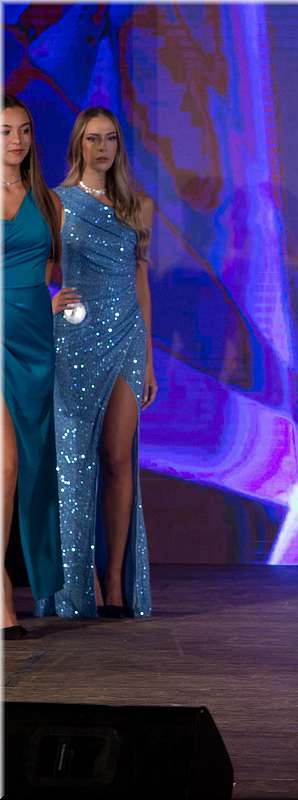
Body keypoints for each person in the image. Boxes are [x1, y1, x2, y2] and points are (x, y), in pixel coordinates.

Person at [51, 107, 156, 618]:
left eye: (110, 138)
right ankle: (81, 578)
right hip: (74, 339)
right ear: (78, 145)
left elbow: (141, 283)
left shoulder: (138, 206)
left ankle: (114, 579)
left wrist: (149, 360)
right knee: (76, 462)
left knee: (117, 457)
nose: (102, 148)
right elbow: (37, 265)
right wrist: (47, 301)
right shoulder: (56, 202)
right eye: (93, 139)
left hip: (127, 338)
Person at [2, 94, 64, 639]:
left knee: (30, 465)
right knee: (5, 465)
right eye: (5, 131)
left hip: (35, 339)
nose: (16, 140)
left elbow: (48, 270)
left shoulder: (45, 199)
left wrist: (52, 301)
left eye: (23, 130)